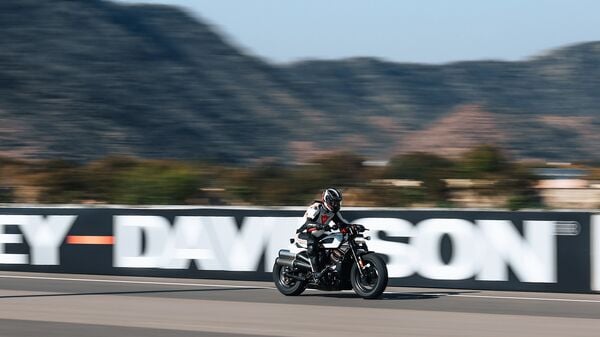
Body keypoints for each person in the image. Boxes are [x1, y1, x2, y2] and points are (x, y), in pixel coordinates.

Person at [296, 187, 350, 280]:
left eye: (338, 202)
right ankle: (315, 272)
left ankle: (327, 267)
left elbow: (342, 224)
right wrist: (321, 226)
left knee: (334, 243)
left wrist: (353, 226)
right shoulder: (316, 207)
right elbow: (308, 223)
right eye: (334, 202)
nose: (336, 204)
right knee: (313, 244)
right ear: (327, 199)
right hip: (304, 234)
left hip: (319, 235)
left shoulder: (334, 212)